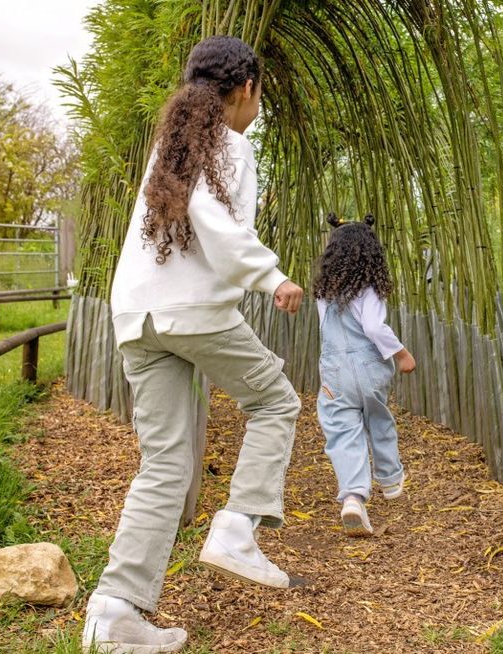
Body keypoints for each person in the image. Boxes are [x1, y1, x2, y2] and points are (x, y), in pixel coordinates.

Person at [83, 35, 306, 654]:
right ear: (246, 90)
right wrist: (272, 275)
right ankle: (237, 529)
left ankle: (113, 612)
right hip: (192, 313)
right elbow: (217, 222)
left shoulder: (170, 147)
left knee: (164, 463)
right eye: (259, 94)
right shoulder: (229, 144)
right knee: (276, 402)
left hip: (137, 316)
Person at [312, 213, 416, 537]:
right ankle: (390, 478)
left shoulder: (323, 293)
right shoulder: (369, 289)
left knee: (343, 432)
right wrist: (401, 353)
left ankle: (354, 498)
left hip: (335, 373)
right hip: (370, 368)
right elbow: (373, 326)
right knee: (378, 418)